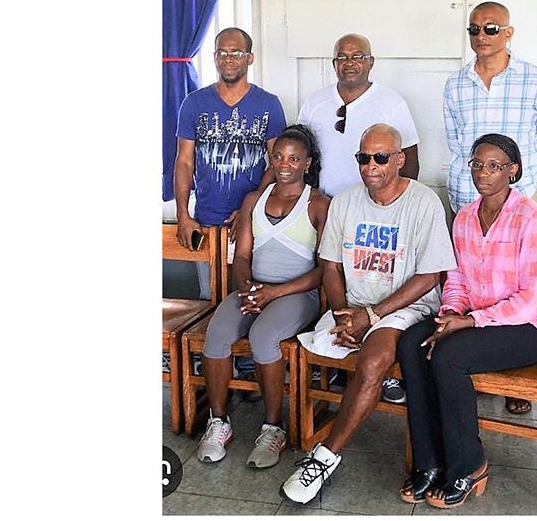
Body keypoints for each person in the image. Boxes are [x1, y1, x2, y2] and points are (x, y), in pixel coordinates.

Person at [279, 124, 456, 505]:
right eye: (363, 158)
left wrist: (371, 315)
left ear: (400, 159)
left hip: (404, 307)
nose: (370, 166)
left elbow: (430, 276)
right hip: (354, 305)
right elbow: (330, 266)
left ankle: (324, 458)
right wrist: (345, 314)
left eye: (380, 157)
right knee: (339, 349)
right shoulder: (345, 201)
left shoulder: (424, 202)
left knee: (374, 360)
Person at [394, 133, 537, 509]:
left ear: (512, 171)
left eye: (494, 166)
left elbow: (529, 300)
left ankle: (468, 466)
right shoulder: (466, 218)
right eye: (477, 164)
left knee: (448, 356)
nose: (483, 173)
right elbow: (455, 279)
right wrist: (452, 312)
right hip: (472, 320)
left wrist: (469, 323)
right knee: (411, 343)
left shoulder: (531, 220)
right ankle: (429, 463)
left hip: (529, 329)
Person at [443, 1, 537, 414]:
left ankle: (516, 374)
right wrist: (481, 190)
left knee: (518, 284)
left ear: (508, 33)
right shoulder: (456, 85)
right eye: (474, 29)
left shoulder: (535, 80)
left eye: (491, 29)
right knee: (473, 281)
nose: (481, 36)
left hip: (520, 198)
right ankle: (473, 364)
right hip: (468, 197)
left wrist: (513, 195)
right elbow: (458, 145)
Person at [195, 124, 330, 468]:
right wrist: (248, 288)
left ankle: (273, 427)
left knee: (263, 336)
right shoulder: (253, 200)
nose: (285, 164)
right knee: (217, 335)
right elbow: (241, 257)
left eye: (294, 158)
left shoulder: (318, 204)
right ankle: (218, 421)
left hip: (297, 294)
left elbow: (324, 269)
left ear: (307, 163)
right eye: (279, 156)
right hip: (253, 289)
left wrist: (274, 293)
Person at [297, 33, 420, 402]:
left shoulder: (391, 102)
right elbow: (304, 153)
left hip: (379, 211)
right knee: (332, 277)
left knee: (377, 279)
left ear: (371, 61)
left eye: (357, 56)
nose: (349, 62)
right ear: (334, 63)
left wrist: (393, 207)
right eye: (342, 56)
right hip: (327, 208)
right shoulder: (316, 101)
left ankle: (385, 369)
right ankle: (339, 359)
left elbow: (409, 160)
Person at [174, 27, 287, 380]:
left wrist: (250, 209)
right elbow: (184, 161)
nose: (229, 58)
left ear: (250, 58)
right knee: (213, 302)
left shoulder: (268, 104)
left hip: (256, 224)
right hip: (208, 221)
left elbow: (277, 164)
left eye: (237, 52)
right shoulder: (194, 103)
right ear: (214, 58)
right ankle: (220, 372)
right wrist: (182, 215)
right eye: (222, 52)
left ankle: (250, 368)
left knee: (249, 295)